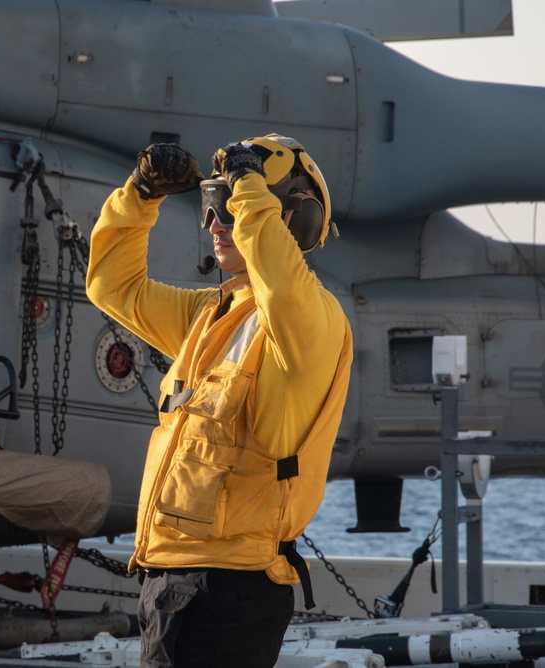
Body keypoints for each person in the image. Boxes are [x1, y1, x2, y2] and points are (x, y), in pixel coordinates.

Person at [85, 137, 353, 667]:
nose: (215, 223)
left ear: (291, 220)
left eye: (231, 208)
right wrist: (141, 194)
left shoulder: (313, 320)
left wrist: (249, 186)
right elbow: (112, 286)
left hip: (229, 590)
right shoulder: (211, 317)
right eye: (212, 206)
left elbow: (282, 286)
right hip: (170, 580)